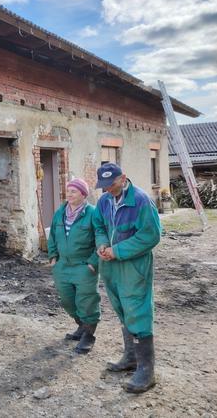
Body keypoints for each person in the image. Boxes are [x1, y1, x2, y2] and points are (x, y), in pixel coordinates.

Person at [92, 163, 161, 393]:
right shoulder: (103, 201)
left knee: (137, 310)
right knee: (121, 308)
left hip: (133, 265)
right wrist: (102, 244)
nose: (107, 189)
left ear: (123, 178)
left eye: (111, 184)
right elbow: (99, 225)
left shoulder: (141, 201)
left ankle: (146, 371)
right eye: (103, 186)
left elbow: (151, 236)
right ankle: (130, 357)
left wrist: (118, 250)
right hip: (110, 265)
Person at [47, 178, 100, 354]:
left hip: (83, 265)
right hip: (63, 265)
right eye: (68, 191)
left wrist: (93, 263)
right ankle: (81, 327)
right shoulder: (60, 212)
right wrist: (53, 257)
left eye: (73, 191)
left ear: (83, 194)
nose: (69, 194)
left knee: (86, 301)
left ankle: (88, 335)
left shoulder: (92, 213)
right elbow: (52, 236)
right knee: (67, 300)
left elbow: (100, 239)